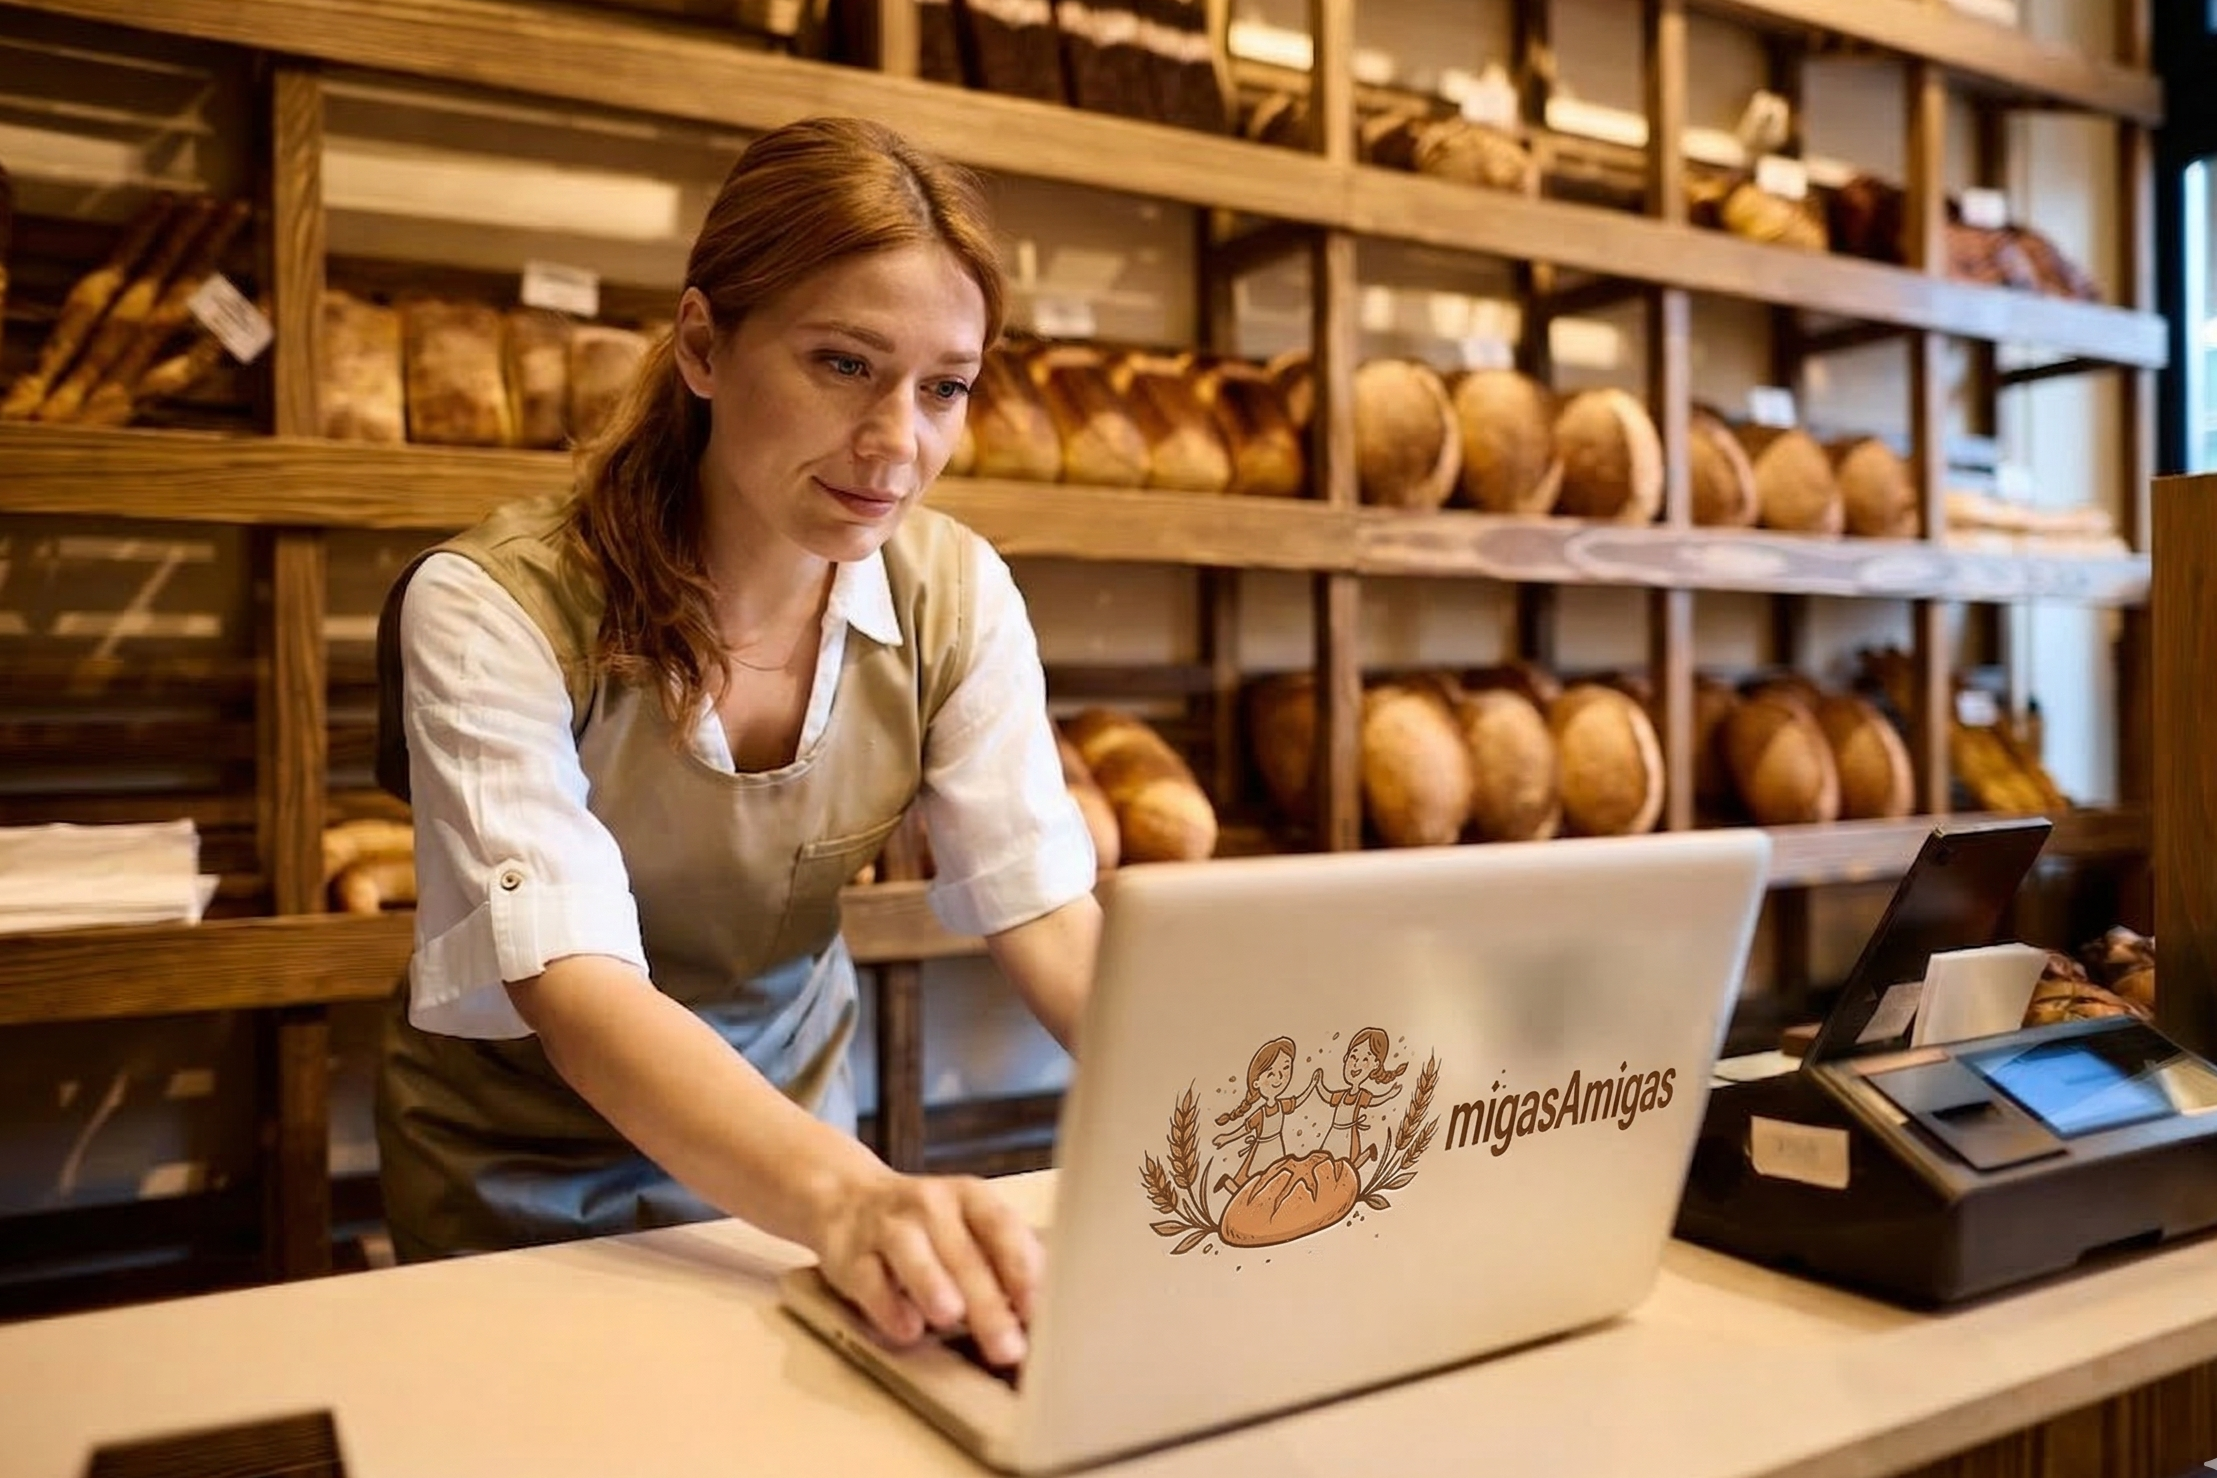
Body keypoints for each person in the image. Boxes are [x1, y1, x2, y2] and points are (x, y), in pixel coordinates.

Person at [370, 116, 1101, 1373]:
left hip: (797, 1181)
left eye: (943, 388)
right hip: (526, 1198)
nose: (898, 445)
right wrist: (857, 1197)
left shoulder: (956, 594)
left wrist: (1269, 1097)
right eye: (842, 364)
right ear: (704, 344)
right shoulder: (493, 604)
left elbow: (1047, 914)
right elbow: (579, 989)